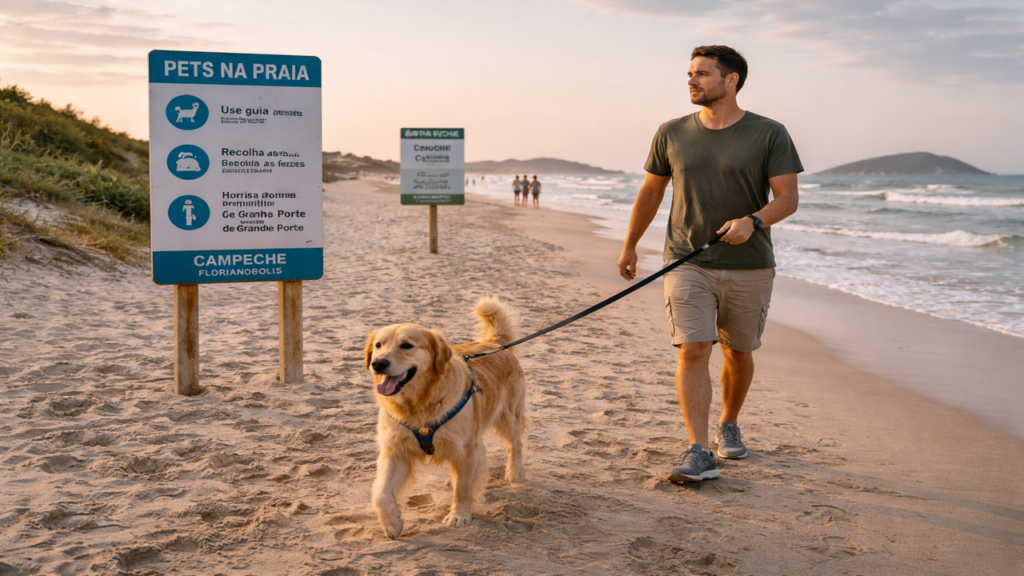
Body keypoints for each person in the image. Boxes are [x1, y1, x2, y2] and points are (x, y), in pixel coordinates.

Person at [616, 45, 802, 483]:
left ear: (731, 79)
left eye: (702, 74)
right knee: (694, 348)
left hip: (749, 263)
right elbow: (651, 192)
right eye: (690, 73)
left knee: (738, 352)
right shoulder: (671, 132)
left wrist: (753, 221)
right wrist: (630, 245)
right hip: (686, 259)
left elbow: (788, 199)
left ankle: (729, 422)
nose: (692, 81)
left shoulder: (770, 133)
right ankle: (698, 449)